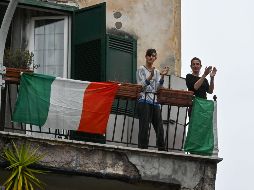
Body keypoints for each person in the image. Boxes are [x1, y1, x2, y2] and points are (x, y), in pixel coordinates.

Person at [136, 49, 169, 151]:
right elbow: (140, 87)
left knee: (159, 128)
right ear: (146, 57)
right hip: (144, 100)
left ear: (155, 58)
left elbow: (158, 88)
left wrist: (162, 75)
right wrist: (150, 77)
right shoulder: (141, 69)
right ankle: (143, 149)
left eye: (153, 56)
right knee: (144, 127)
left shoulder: (157, 72)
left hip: (154, 102)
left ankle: (162, 149)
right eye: (149, 55)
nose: (151, 57)